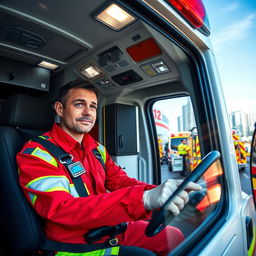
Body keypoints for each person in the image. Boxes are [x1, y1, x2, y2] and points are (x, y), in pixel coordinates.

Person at [16, 80, 201, 256]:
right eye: (79, 104)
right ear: (60, 109)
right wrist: (143, 199)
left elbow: (121, 182)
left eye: (93, 106)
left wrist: (160, 192)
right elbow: (62, 209)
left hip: (108, 226)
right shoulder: (36, 154)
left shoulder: (97, 149)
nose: (88, 112)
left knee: (174, 236)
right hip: (74, 244)